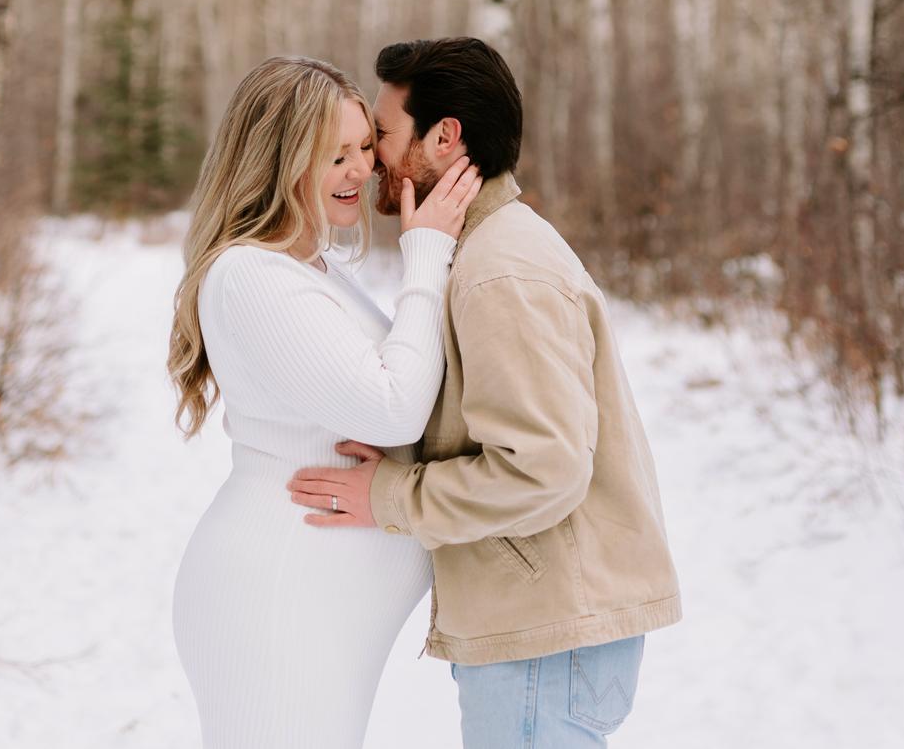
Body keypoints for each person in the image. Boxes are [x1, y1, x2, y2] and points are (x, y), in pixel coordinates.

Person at [288, 37, 680, 748]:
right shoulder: (481, 252)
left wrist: (390, 496)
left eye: (382, 134)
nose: (371, 156)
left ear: (444, 138)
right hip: (544, 628)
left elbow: (544, 468)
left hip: (548, 634)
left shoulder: (500, 271)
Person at [168, 54, 482, 749]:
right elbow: (394, 406)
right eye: (332, 155)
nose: (361, 169)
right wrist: (424, 255)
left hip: (317, 609)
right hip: (278, 598)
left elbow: (385, 401)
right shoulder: (254, 276)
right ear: (277, 161)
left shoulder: (311, 270)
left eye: (365, 146)